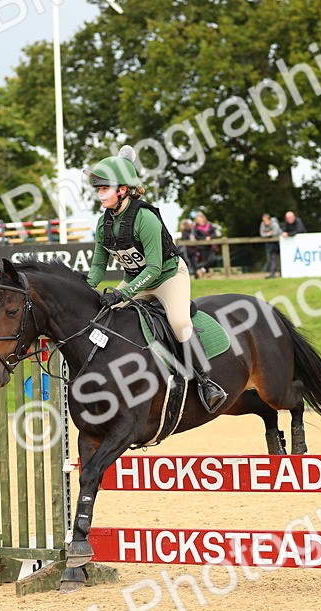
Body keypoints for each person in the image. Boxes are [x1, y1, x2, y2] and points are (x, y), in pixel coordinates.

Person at [84, 146, 227, 413]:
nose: (100, 194)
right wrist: (84, 288)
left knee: (180, 321)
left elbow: (154, 268)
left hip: (168, 277)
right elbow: (97, 267)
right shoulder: (103, 224)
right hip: (137, 280)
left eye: (104, 188)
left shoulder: (145, 218)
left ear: (122, 190)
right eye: (99, 189)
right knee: (103, 317)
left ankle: (206, 382)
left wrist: (124, 294)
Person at [259, 213, 281, 277]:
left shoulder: (275, 224)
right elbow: (262, 234)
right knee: (271, 258)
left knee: (277, 258)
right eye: (263, 221)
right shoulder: (262, 224)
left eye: (266, 221)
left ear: (269, 220)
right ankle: (272, 273)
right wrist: (269, 233)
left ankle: (276, 273)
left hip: (278, 242)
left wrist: (267, 233)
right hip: (270, 243)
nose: (265, 223)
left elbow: (275, 233)